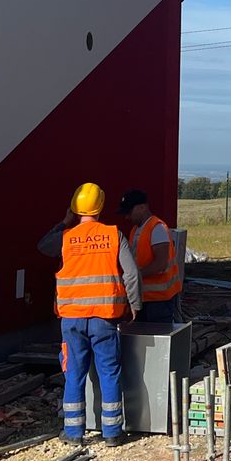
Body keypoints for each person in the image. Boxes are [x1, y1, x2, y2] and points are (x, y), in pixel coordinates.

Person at [38, 183, 142, 446]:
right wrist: (134, 306)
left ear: (75, 208)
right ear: (101, 206)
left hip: (71, 318)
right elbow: (131, 273)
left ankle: (73, 434)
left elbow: (43, 246)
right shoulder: (112, 235)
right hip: (104, 318)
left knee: (73, 373)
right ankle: (112, 433)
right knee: (109, 372)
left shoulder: (65, 237)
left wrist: (64, 222)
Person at [117, 189, 183, 323]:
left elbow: (160, 264)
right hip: (144, 297)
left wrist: (134, 275)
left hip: (159, 300)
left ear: (142, 207)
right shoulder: (136, 230)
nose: (127, 217)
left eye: (129, 212)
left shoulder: (156, 228)